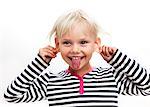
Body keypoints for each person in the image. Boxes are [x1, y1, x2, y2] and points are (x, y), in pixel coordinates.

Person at [4, 9, 150, 107]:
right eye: (67, 43)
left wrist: (119, 59)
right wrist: (39, 64)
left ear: (96, 44)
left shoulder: (111, 78)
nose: (75, 50)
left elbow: (147, 87)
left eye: (83, 42)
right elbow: (12, 96)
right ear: (57, 44)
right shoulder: (50, 82)